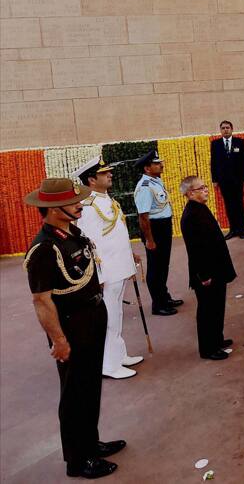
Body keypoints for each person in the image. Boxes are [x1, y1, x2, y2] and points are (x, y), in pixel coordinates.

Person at [23, 178, 126, 479]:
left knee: (90, 386)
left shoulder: (73, 234)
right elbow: (41, 300)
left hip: (92, 316)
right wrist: (58, 340)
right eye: (73, 201)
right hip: (71, 326)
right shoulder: (44, 247)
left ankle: (90, 443)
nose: (80, 204)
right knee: (74, 394)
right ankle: (78, 461)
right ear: (54, 209)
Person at [73, 157, 143, 380]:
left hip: (118, 267)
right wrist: (98, 276)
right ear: (92, 180)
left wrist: (129, 258)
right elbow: (89, 243)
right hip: (107, 272)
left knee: (117, 314)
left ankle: (119, 355)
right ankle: (108, 365)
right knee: (109, 318)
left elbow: (113, 234)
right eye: (104, 173)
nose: (110, 175)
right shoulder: (89, 206)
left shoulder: (104, 199)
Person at [179, 176, 236, 361]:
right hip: (206, 273)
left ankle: (217, 340)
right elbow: (196, 249)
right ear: (190, 193)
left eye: (205, 187)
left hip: (216, 268)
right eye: (201, 188)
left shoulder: (199, 208)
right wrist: (203, 275)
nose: (206, 190)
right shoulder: (190, 215)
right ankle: (208, 348)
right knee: (207, 310)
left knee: (217, 306)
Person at [134, 150, 183, 316]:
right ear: (147, 168)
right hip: (154, 230)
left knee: (163, 265)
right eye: (156, 163)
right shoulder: (145, 187)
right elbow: (143, 217)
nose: (160, 165)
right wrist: (149, 239)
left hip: (163, 226)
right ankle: (158, 304)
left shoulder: (155, 181)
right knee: (155, 268)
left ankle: (165, 297)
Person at [210, 120, 244, 240]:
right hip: (224, 181)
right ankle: (232, 229)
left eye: (228, 127)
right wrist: (215, 179)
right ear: (220, 130)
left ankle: (241, 230)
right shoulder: (215, 144)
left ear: (232, 129)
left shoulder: (239, 142)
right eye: (223, 128)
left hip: (237, 180)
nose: (225, 130)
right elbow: (213, 163)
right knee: (229, 205)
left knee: (239, 204)